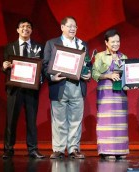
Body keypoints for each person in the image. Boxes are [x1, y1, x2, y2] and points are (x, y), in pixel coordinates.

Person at [43, 16, 91, 159]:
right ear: (62, 27)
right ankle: (58, 149)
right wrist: (52, 77)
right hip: (60, 84)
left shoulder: (82, 44)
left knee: (76, 119)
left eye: (75, 26)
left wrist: (87, 73)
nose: (72, 29)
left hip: (77, 85)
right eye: (70, 26)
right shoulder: (52, 43)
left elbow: (87, 64)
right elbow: (45, 64)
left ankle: (73, 149)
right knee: (59, 120)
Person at [2, 18, 45, 159]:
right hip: (14, 90)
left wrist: (40, 79)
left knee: (32, 120)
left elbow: (43, 67)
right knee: (11, 120)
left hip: (31, 90)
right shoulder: (9, 47)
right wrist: (4, 66)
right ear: (17, 30)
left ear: (31, 30)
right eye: (23, 26)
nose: (25, 28)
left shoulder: (39, 47)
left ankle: (33, 149)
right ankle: (8, 149)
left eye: (28, 26)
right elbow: (4, 65)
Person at [92, 29, 129, 160]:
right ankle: (106, 151)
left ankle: (120, 150)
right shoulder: (100, 56)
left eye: (118, 41)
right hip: (106, 94)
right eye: (112, 41)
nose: (115, 44)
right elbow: (94, 74)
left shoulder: (123, 57)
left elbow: (128, 76)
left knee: (119, 121)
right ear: (106, 43)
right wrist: (108, 75)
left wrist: (133, 82)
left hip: (120, 95)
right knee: (106, 121)